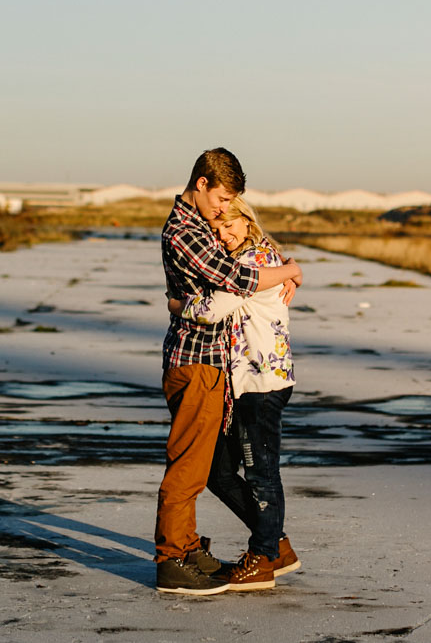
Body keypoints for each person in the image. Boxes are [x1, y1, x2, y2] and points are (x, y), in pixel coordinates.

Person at [155, 148, 304, 595]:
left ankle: (196, 547)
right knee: (191, 466)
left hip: (222, 367)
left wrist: (281, 269)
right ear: (201, 183)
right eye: (220, 201)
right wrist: (290, 270)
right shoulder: (185, 230)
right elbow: (231, 282)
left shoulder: (203, 225)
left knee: (206, 466)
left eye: (230, 209)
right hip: (197, 359)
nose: (222, 214)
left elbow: (246, 269)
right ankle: (173, 558)